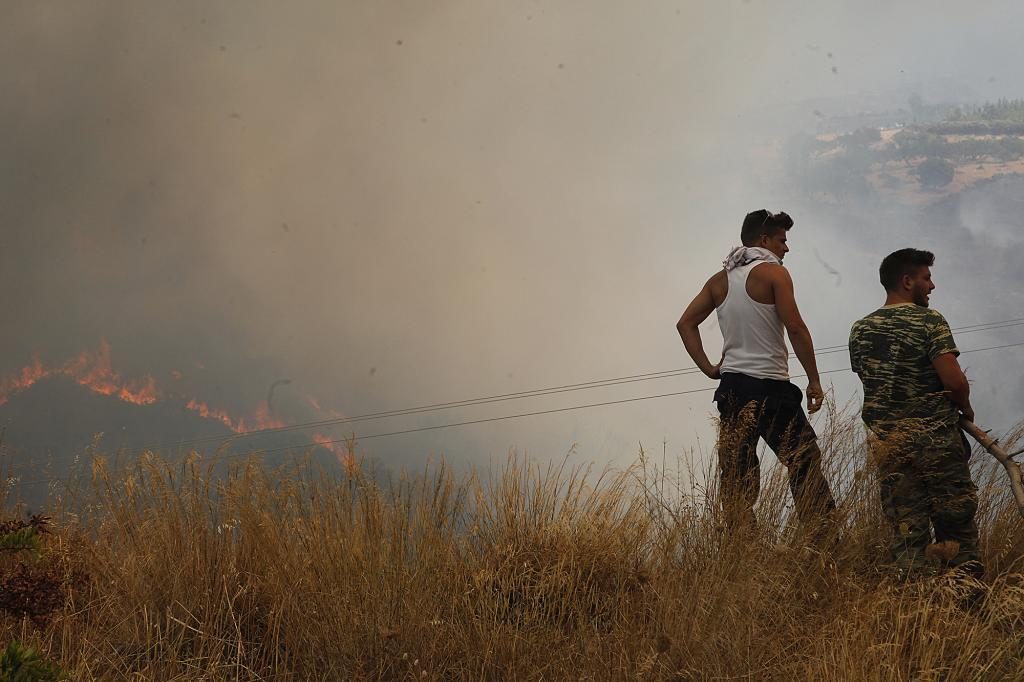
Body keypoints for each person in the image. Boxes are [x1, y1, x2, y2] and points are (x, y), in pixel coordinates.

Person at [677, 209, 836, 532]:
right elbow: (796, 328)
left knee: (736, 476)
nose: (786, 248)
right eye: (782, 240)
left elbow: (685, 324)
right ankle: (823, 540)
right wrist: (814, 380)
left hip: (733, 389)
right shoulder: (775, 275)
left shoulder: (719, 280)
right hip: (771, 388)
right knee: (803, 461)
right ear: (764, 240)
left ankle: (740, 547)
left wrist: (710, 368)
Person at [849, 248, 981, 578]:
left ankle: (915, 616)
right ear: (907, 282)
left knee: (908, 537)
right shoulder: (929, 320)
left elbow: (873, 380)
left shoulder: (860, 330)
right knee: (957, 533)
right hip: (936, 445)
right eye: (927, 278)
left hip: (891, 446)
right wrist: (965, 406)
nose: (932, 286)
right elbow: (953, 379)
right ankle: (967, 608)